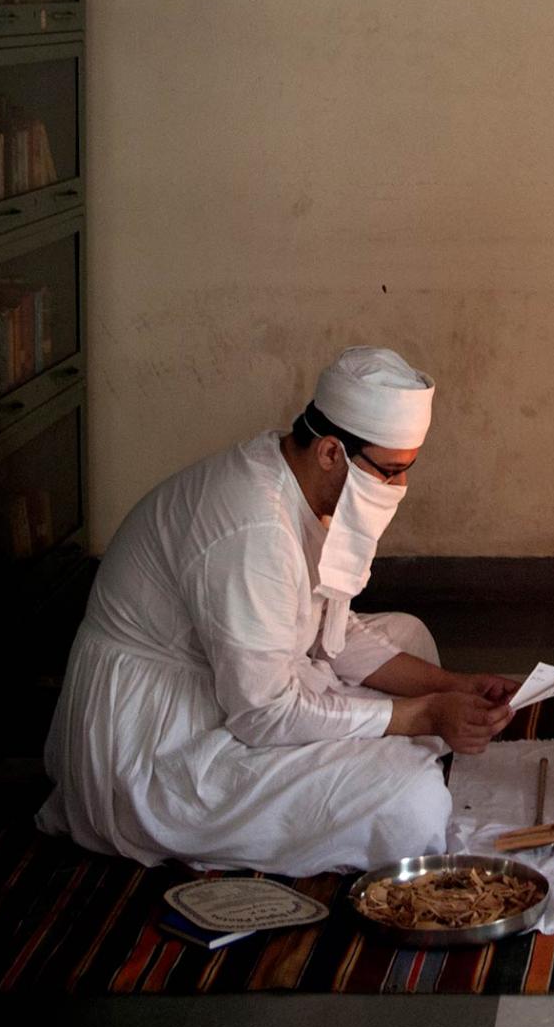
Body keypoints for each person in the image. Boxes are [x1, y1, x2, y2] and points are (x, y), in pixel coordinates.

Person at [37, 347, 518, 876]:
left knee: (411, 636)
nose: (399, 488)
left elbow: (329, 631)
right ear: (332, 453)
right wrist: (419, 714)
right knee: (414, 808)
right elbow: (262, 712)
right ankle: (387, 766)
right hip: (165, 738)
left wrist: (452, 685)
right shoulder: (253, 527)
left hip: (245, 683)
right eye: (390, 472)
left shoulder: (298, 477)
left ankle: (383, 754)